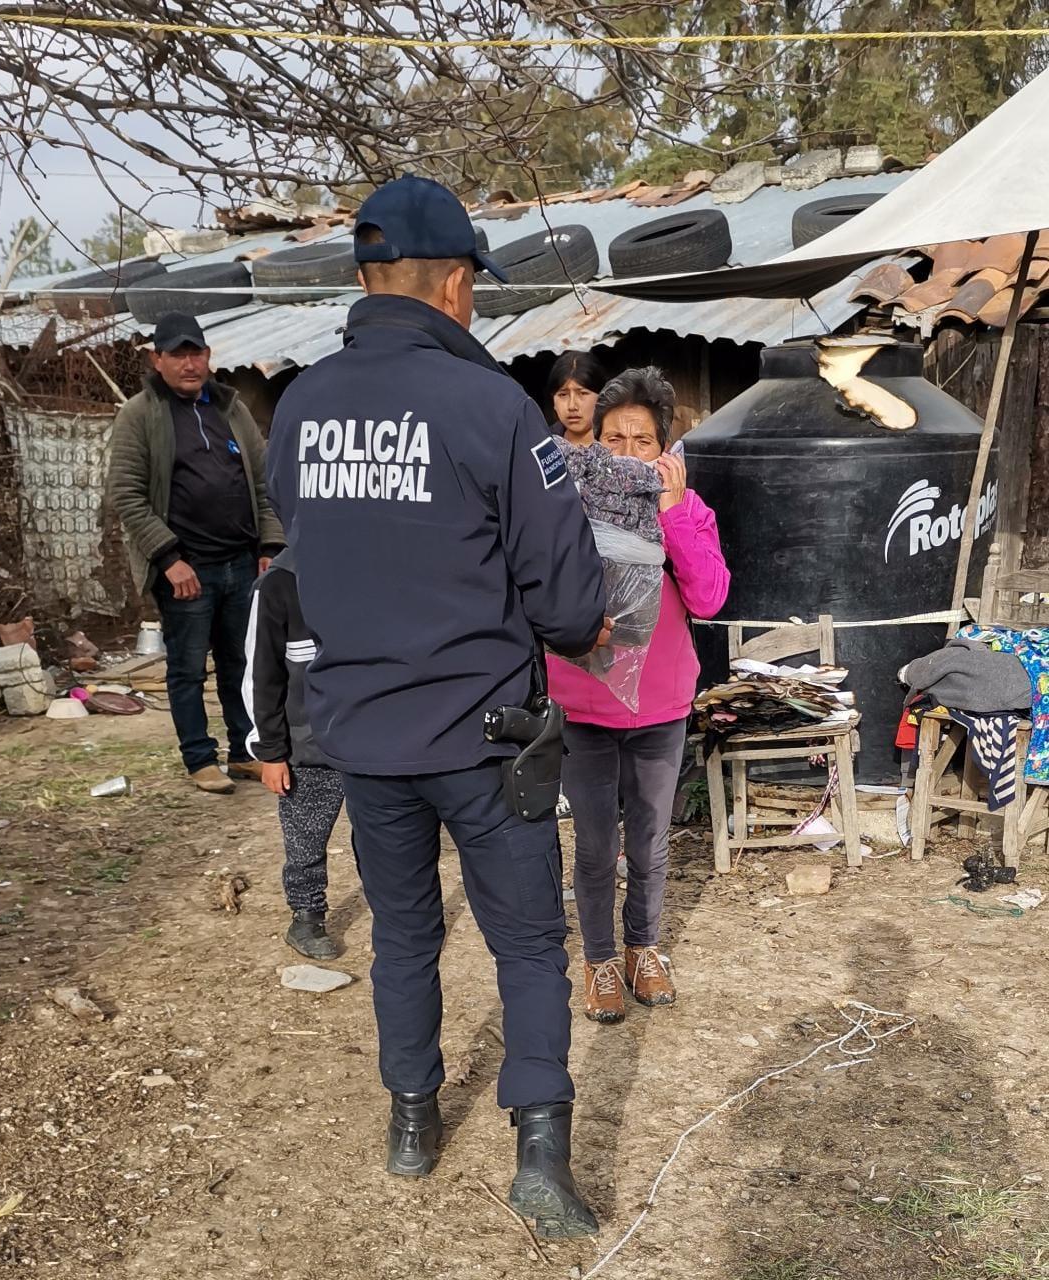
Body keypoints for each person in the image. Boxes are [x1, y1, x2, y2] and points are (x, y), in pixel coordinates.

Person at [265, 174, 609, 1239]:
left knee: (404, 937)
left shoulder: (298, 406)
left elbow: (305, 560)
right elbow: (568, 599)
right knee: (526, 945)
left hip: (363, 737)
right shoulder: (493, 407)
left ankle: (411, 1122)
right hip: (486, 739)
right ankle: (539, 1157)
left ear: (370, 280)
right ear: (455, 284)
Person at [547, 367, 730, 1025]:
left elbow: (710, 597)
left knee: (650, 841)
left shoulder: (687, 508)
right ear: (592, 443)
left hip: (660, 704)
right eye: (614, 439)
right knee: (595, 844)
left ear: (664, 450)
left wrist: (674, 517)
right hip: (583, 699)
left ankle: (642, 949)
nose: (627, 455)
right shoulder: (564, 509)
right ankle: (599, 960)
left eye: (642, 441)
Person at [108, 313, 283, 794]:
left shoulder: (231, 408)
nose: (190, 363)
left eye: (197, 353)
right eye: (179, 354)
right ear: (157, 359)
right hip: (187, 568)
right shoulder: (140, 415)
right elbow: (126, 494)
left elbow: (265, 484)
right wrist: (168, 559)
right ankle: (199, 759)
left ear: (208, 356)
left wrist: (269, 546)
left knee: (242, 663)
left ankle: (245, 750)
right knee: (187, 668)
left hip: (242, 563)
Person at [242, 548, 345, 960]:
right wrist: (270, 751)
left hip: (370, 743)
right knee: (305, 839)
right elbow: (260, 673)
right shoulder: (279, 583)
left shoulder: (372, 563)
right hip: (307, 747)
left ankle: (395, 915)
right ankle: (306, 915)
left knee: (382, 840)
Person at [548, 350, 607, 447]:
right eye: (563, 395)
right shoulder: (543, 446)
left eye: (582, 393)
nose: (572, 406)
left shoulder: (619, 445)